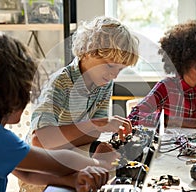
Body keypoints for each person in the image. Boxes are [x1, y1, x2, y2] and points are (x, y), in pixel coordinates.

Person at [0, 30, 119, 192]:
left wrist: (71, 180)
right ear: (9, 92)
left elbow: (27, 174)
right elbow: (56, 162)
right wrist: (100, 163)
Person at [28, 16, 139, 150]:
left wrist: (95, 128)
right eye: (110, 66)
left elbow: (94, 134)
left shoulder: (104, 84)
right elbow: (38, 140)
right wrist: (94, 124)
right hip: (38, 159)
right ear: (88, 52)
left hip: (67, 153)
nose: (114, 75)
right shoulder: (61, 83)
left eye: (120, 69)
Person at [128, 20, 196, 129]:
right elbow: (134, 117)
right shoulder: (166, 87)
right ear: (185, 62)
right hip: (169, 145)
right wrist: (178, 121)